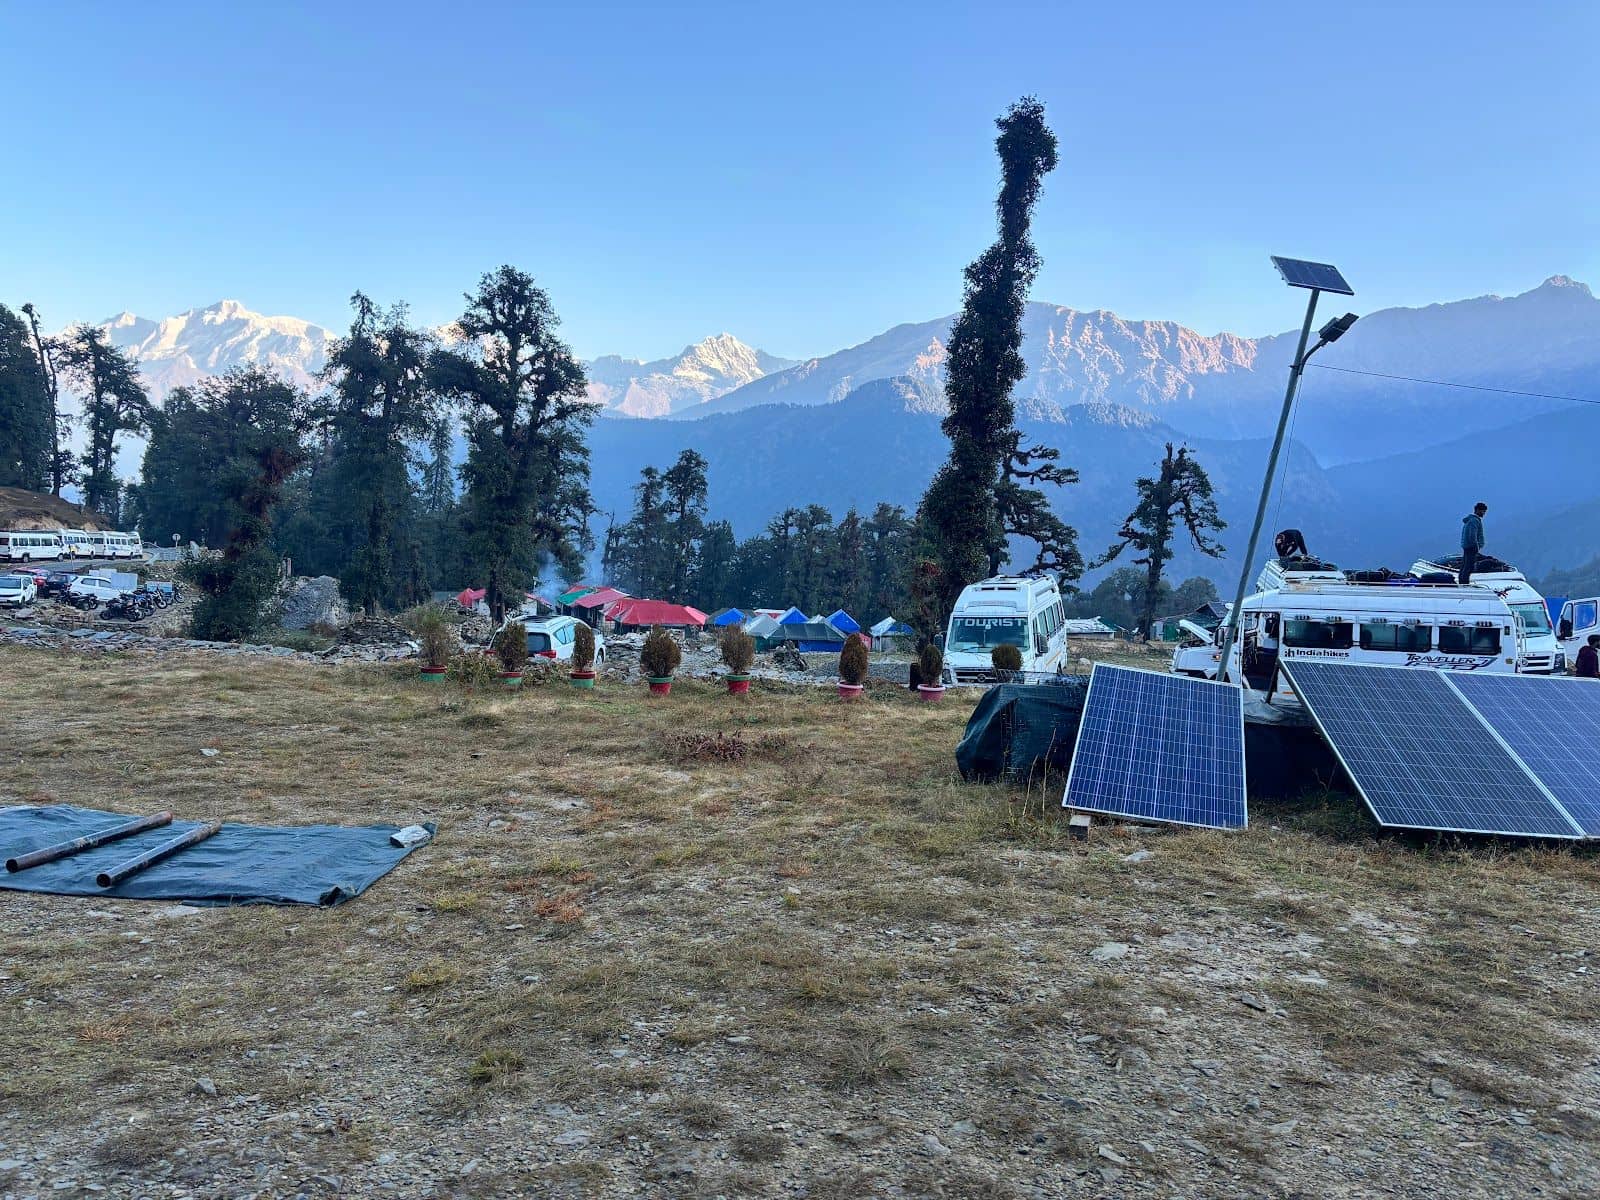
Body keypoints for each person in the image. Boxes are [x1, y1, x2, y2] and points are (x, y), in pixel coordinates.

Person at [1458, 502, 1488, 584]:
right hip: (1471, 547)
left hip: (1467, 546)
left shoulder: (1471, 520)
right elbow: (1472, 535)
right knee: (1468, 566)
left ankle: (1462, 581)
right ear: (1477, 510)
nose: (1484, 513)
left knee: (1465, 565)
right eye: (1483, 511)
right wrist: (1476, 546)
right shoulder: (1474, 521)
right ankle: (1464, 583)